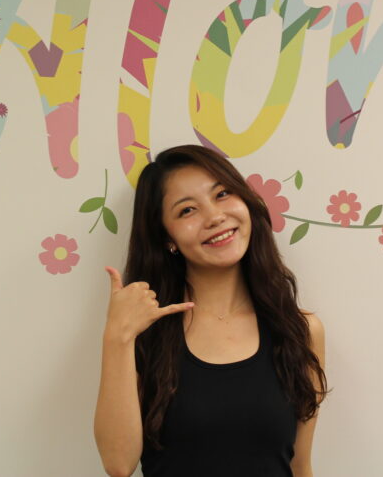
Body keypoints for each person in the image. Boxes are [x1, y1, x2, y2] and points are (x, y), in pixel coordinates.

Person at [94, 144, 328, 477]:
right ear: (167, 237)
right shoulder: (144, 333)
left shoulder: (300, 331)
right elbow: (118, 464)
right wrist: (117, 335)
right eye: (187, 210)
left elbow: (300, 466)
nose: (215, 217)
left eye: (222, 194)